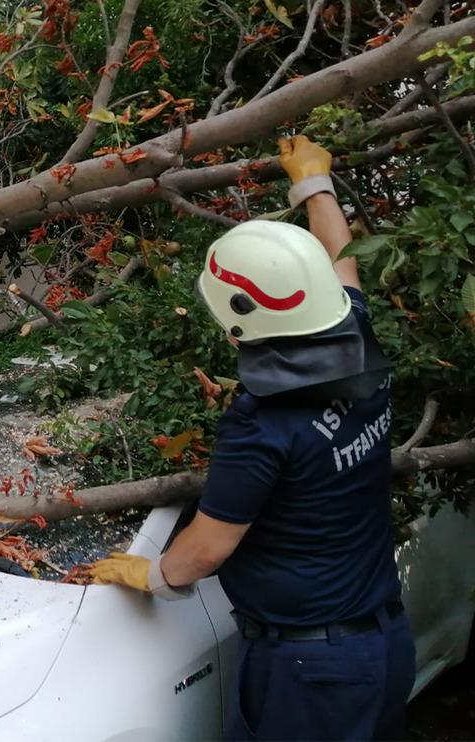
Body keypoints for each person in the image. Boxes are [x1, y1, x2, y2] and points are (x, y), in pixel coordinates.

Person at [88, 135, 414, 741]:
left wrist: (151, 575)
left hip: (307, 669)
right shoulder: (357, 341)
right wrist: (314, 183)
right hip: (380, 643)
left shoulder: (260, 422)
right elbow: (344, 264)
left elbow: (206, 551)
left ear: (236, 325)